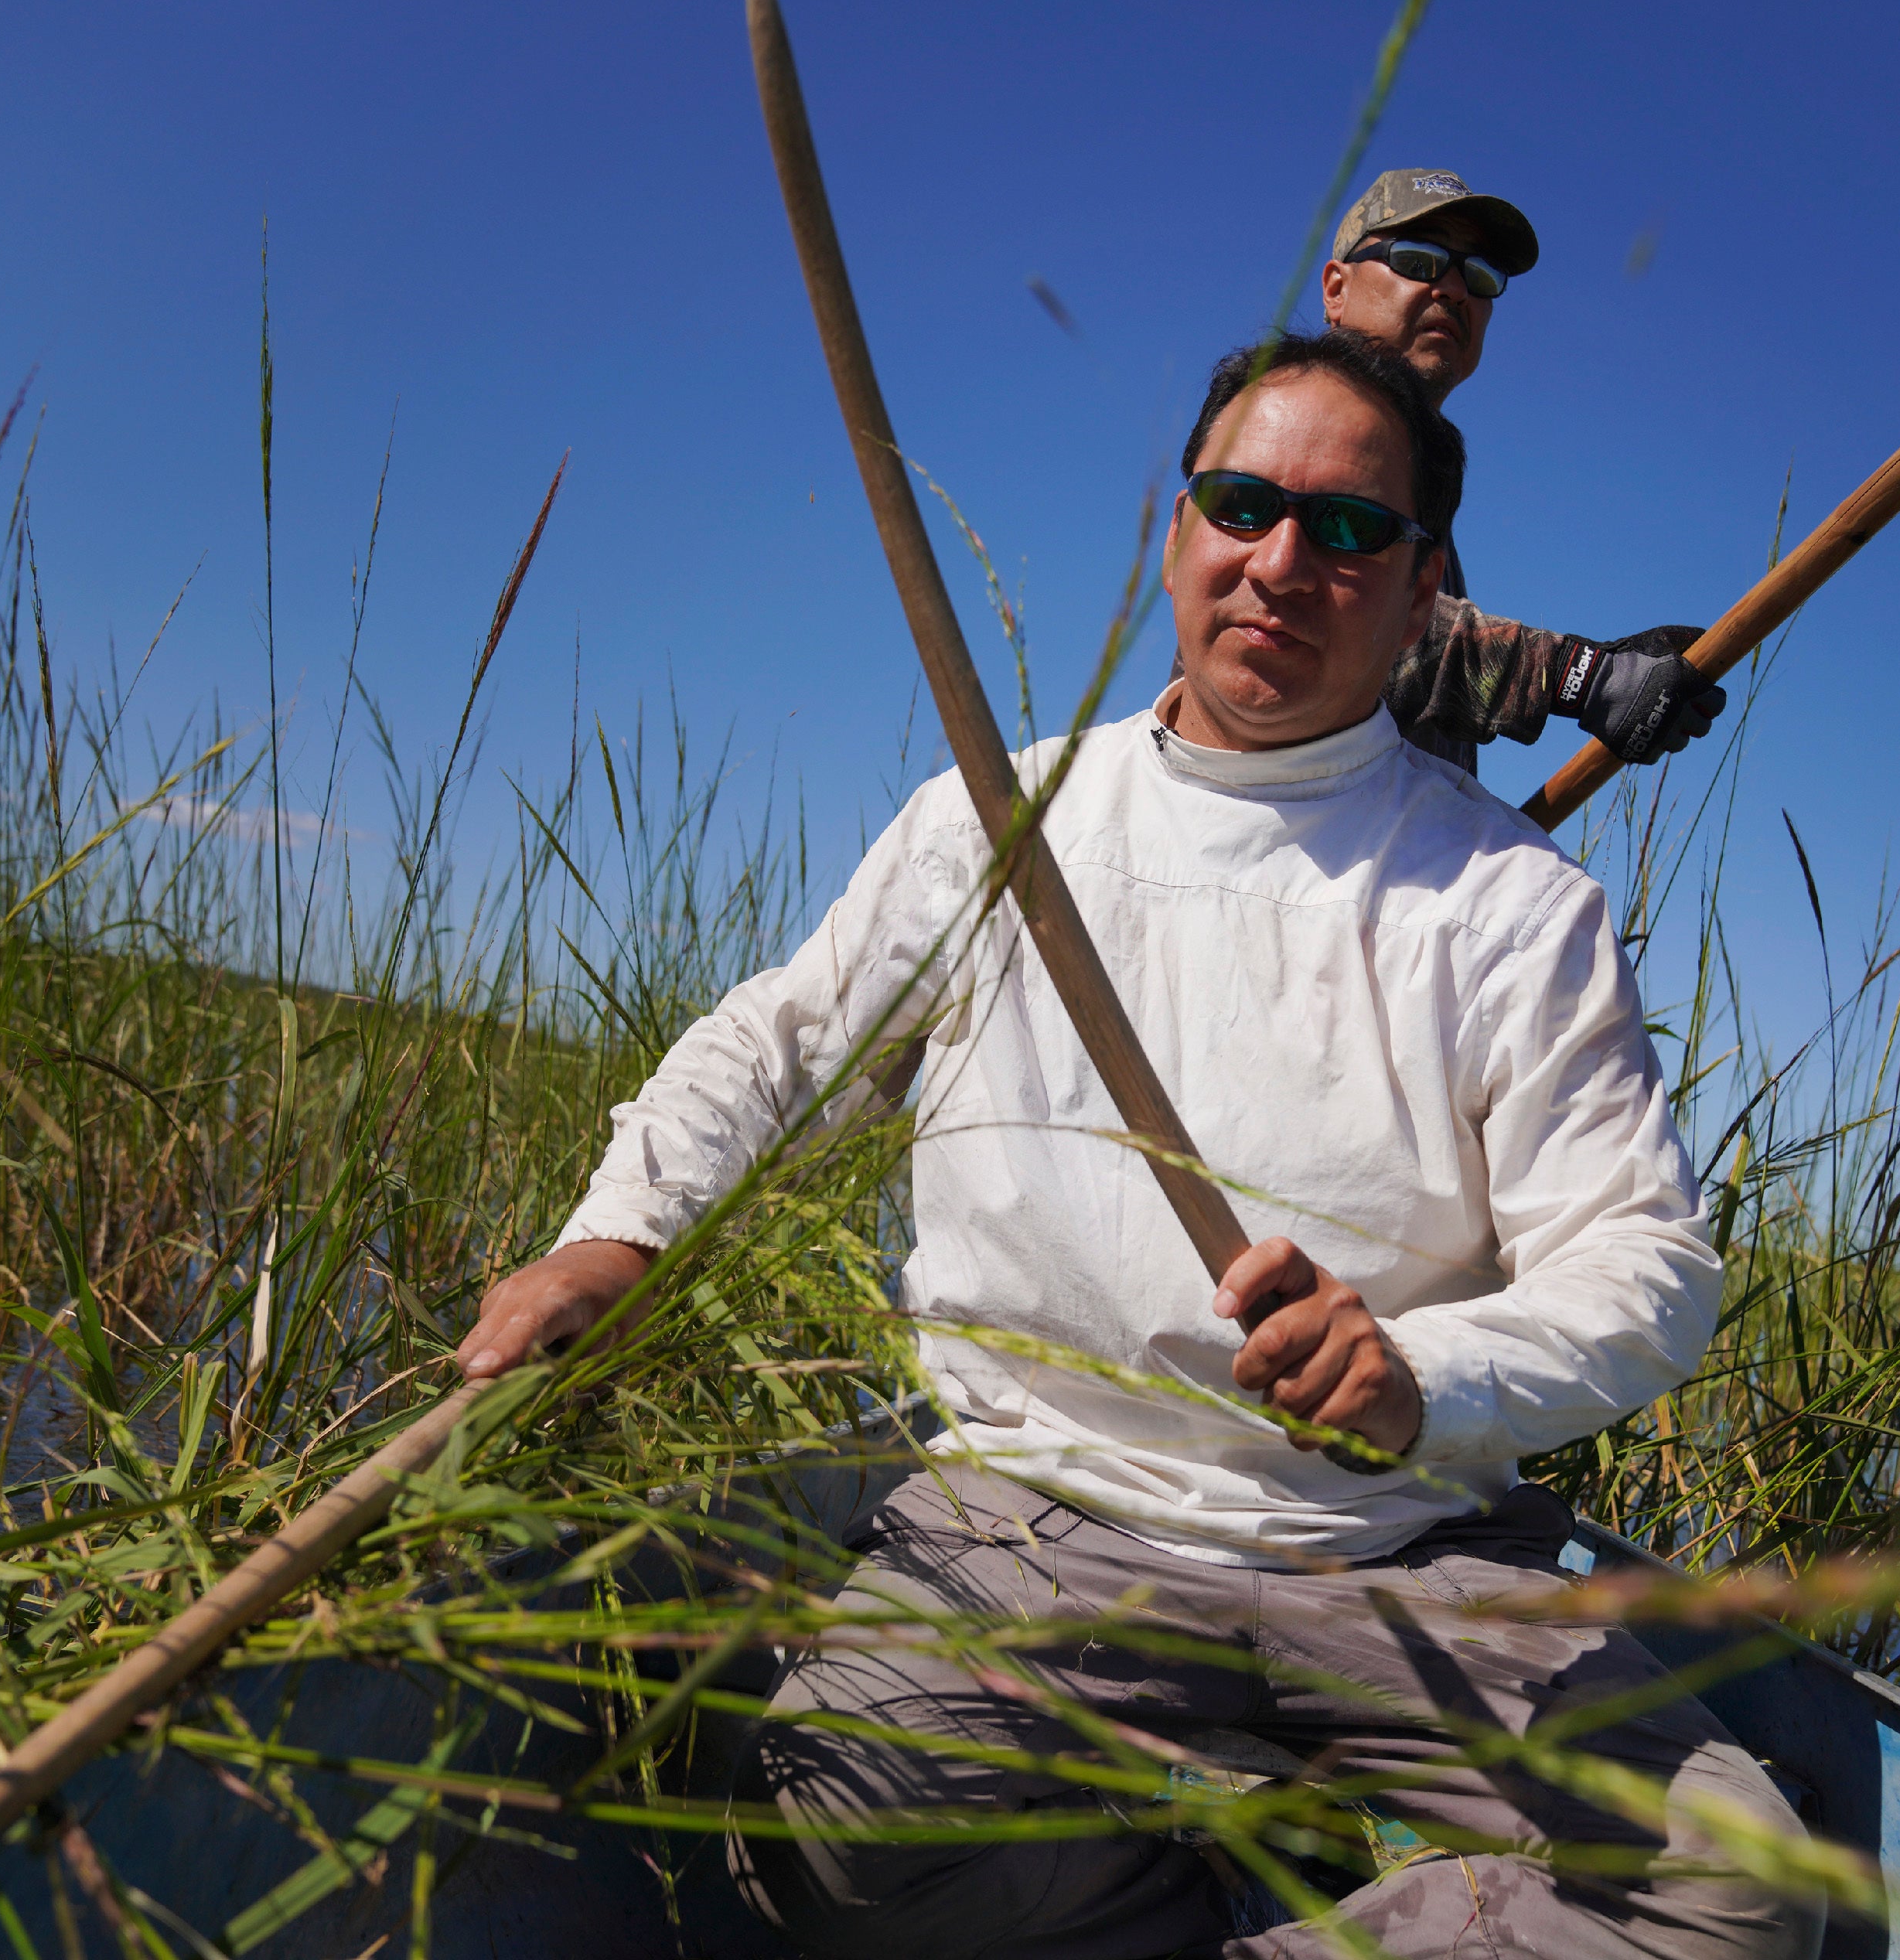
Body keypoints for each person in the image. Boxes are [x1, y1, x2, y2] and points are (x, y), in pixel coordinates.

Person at [458, 330, 1821, 1958]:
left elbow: (1644, 1268)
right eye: (1241, 504)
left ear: (1421, 589)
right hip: (1031, 1509)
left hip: (1392, 1545)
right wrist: (624, 1232)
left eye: (1349, 530)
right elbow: (785, 1041)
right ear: (1178, 529)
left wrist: (1421, 1375)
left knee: (1738, 1893)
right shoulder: (1005, 812)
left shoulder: (1513, 902)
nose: (1280, 560)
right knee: (830, 1835)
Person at [1274, 167, 1727, 777]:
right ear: (1336, 289)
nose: (1455, 290)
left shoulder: (1416, 470)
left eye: (1480, 276)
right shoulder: (1298, 421)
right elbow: (1352, 616)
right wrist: (1580, 676)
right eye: (1419, 258)